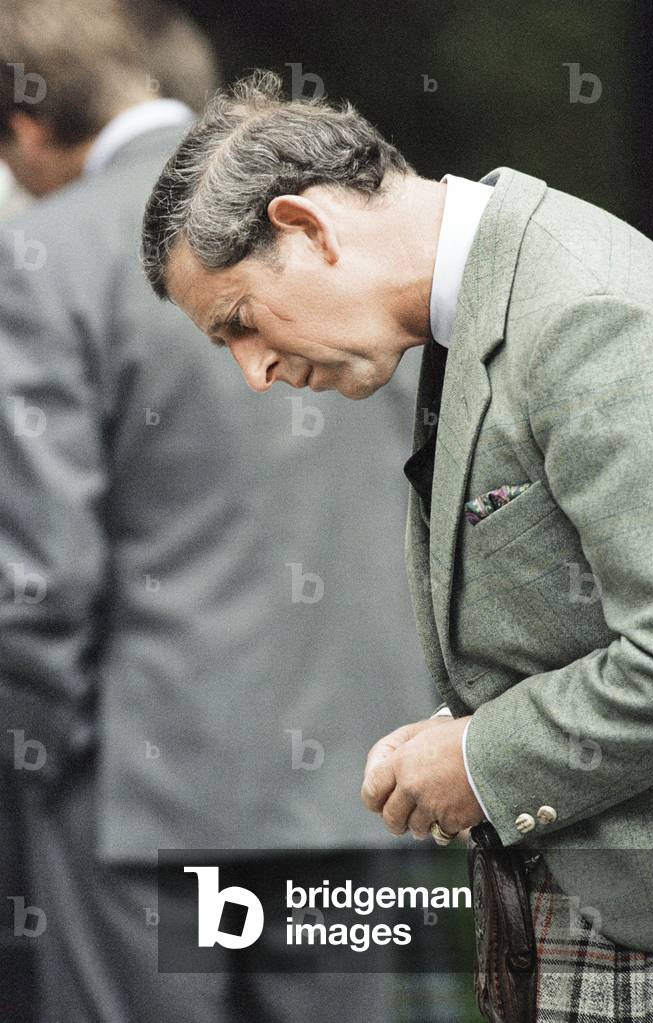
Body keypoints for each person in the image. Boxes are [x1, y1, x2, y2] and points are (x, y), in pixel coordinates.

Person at [142, 68, 653, 1022]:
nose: (253, 372)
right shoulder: (478, 308)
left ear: (306, 228)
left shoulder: (588, 312)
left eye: (238, 323)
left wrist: (480, 758)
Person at [0, 11, 439, 1022]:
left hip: (142, 790)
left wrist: (40, 761)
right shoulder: (341, 222)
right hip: (354, 770)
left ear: (26, 132)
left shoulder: (41, 258)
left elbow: (38, 583)